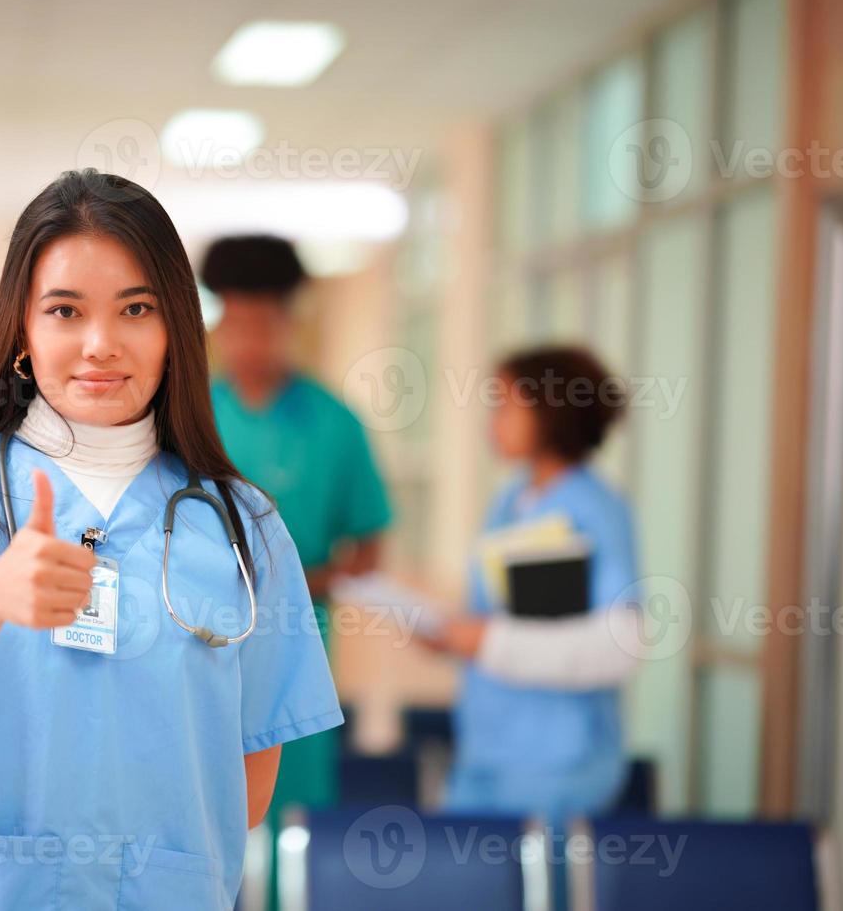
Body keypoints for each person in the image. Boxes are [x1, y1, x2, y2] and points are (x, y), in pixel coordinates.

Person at [0, 170, 342, 911]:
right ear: (21, 330)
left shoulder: (243, 524)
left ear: (175, 329)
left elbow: (244, 789)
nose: (100, 344)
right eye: (64, 310)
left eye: (136, 309)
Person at [200, 235, 393, 908]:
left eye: (267, 321)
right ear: (218, 322)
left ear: (292, 322)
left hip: (295, 650)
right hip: (191, 646)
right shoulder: (188, 415)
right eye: (238, 320)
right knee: (193, 817)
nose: (251, 337)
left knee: (291, 835)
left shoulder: (334, 424)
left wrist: (288, 583)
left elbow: (369, 545)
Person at [424, 345, 642, 824]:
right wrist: (453, 638)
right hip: (487, 751)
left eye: (504, 404)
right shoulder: (508, 503)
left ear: (550, 411)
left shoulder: (594, 509)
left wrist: (488, 641)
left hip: (559, 763)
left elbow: (620, 644)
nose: (492, 421)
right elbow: (497, 619)